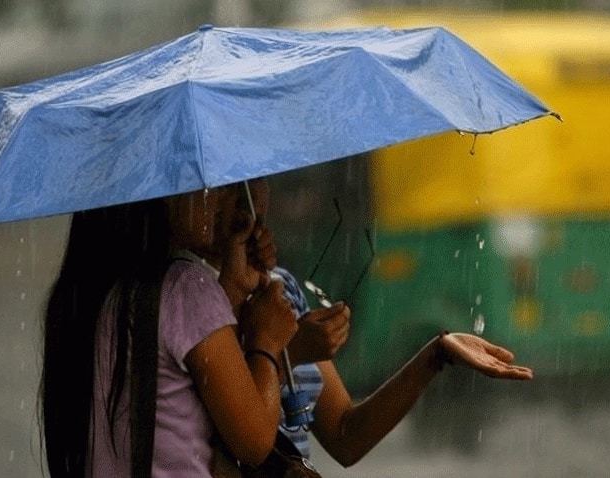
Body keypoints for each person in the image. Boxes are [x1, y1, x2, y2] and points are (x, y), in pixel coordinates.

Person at [241, 178, 533, 467]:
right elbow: (243, 442)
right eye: (235, 192)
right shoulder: (203, 300)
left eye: (259, 184)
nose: (255, 199)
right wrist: (291, 353)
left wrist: (439, 352)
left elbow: (346, 436)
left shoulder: (283, 290)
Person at [40, 185, 299, 478]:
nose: (233, 198)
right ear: (158, 195)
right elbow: (254, 443)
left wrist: (234, 292)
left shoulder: (103, 294)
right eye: (207, 186)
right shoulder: (187, 287)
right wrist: (266, 343)